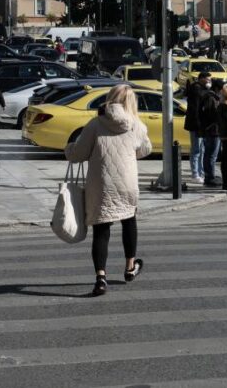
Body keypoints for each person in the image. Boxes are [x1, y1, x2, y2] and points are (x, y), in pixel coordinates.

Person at [65, 84, 152, 296]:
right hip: (127, 182)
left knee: (102, 230)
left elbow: (78, 154)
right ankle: (130, 267)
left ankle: (101, 278)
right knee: (129, 220)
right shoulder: (137, 125)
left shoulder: (95, 124)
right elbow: (145, 149)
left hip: (101, 183)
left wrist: (69, 148)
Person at [184, 72, 211, 184]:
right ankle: (195, 174)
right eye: (208, 79)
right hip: (196, 125)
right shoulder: (196, 90)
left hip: (200, 125)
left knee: (202, 149)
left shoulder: (201, 89)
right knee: (196, 150)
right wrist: (198, 124)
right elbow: (195, 109)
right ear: (201, 79)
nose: (209, 81)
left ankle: (200, 172)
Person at [199, 78, 223, 187]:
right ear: (217, 88)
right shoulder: (211, 98)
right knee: (211, 156)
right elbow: (211, 115)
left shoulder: (210, 97)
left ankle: (209, 176)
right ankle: (209, 177)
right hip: (212, 130)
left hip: (211, 130)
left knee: (209, 155)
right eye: (221, 89)